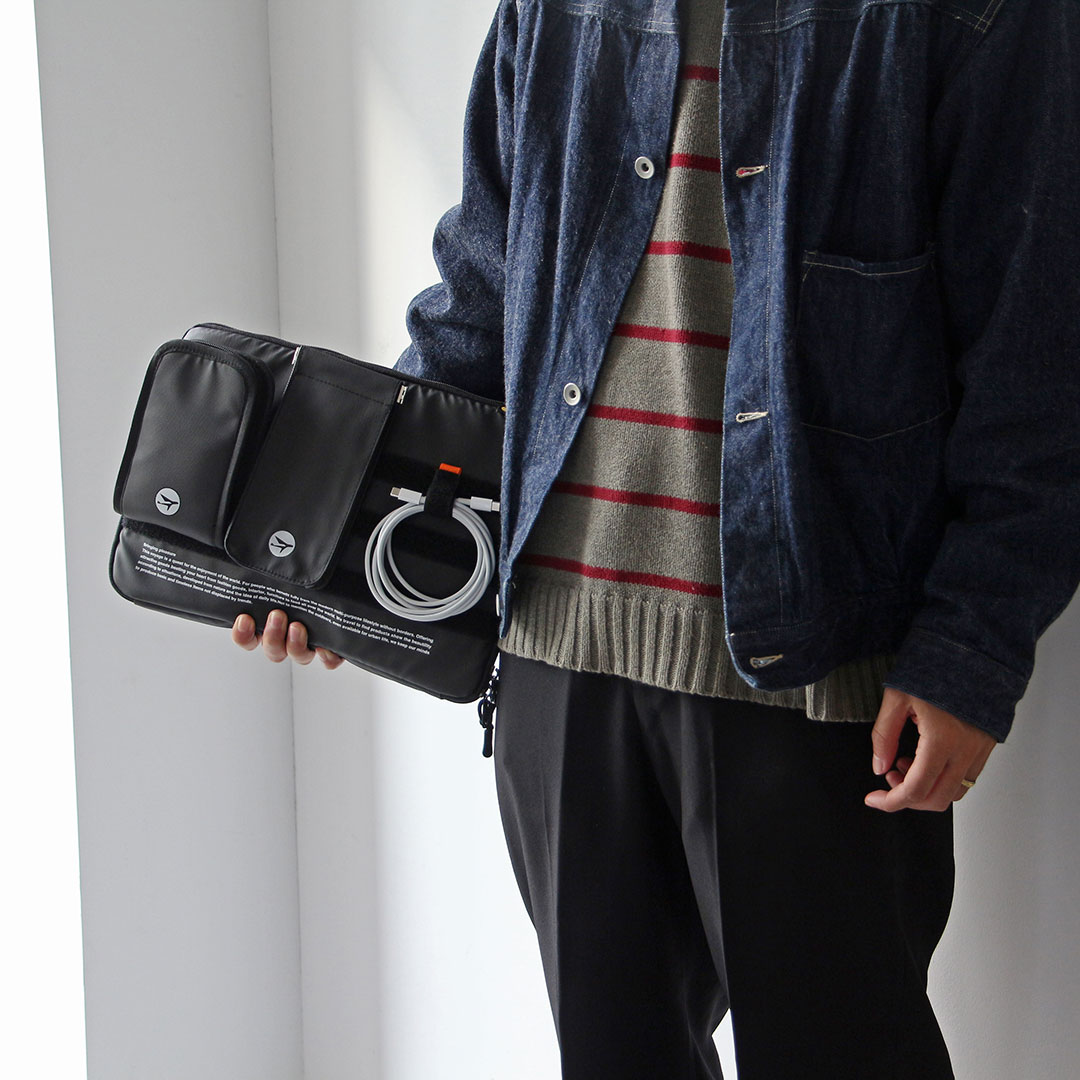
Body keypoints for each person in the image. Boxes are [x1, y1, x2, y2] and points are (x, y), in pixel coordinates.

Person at [233, 0, 1080, 1076]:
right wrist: (341, 563)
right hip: (556, 657)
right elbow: (480, 304)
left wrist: (972, 649)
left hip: (815, 672)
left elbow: (1038, 357)